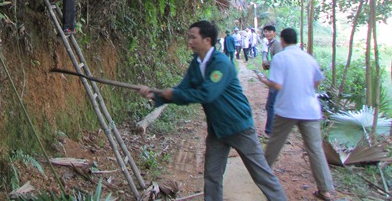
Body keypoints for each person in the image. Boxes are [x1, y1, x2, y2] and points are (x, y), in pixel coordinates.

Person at [138, 21, 287, 201]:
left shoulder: (221, 63)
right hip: (217, 130)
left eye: (193, 37)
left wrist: (174, 94)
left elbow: (207, 94)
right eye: (189, 38)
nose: (189, 42)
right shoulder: (196, 63)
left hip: (239, 127)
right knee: (212, 176)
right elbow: (183, 89)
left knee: (262, 175)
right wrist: (155, 95)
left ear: (207, 40)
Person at [256, 28, 337, 201]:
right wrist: (306, 89)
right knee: (315, 149)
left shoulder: (280, 58)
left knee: (274, 145)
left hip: (288, 109)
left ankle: (261, 176)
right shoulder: (308, 57)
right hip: (310, 109)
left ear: (283, 40)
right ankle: (325, 189)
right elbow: (318, 79)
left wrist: (264, 80)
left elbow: (276, 85)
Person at [261, 25, 282, 137]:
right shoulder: (271, 44)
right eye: (265, 32)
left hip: (277, 79)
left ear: (274, 33)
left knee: (271, 106)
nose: (267, 34)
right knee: (272, 105)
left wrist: (267, 63)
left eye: (269, 32)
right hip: (274, 77)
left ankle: (270, 131)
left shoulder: (276, 44)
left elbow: (278, 61)